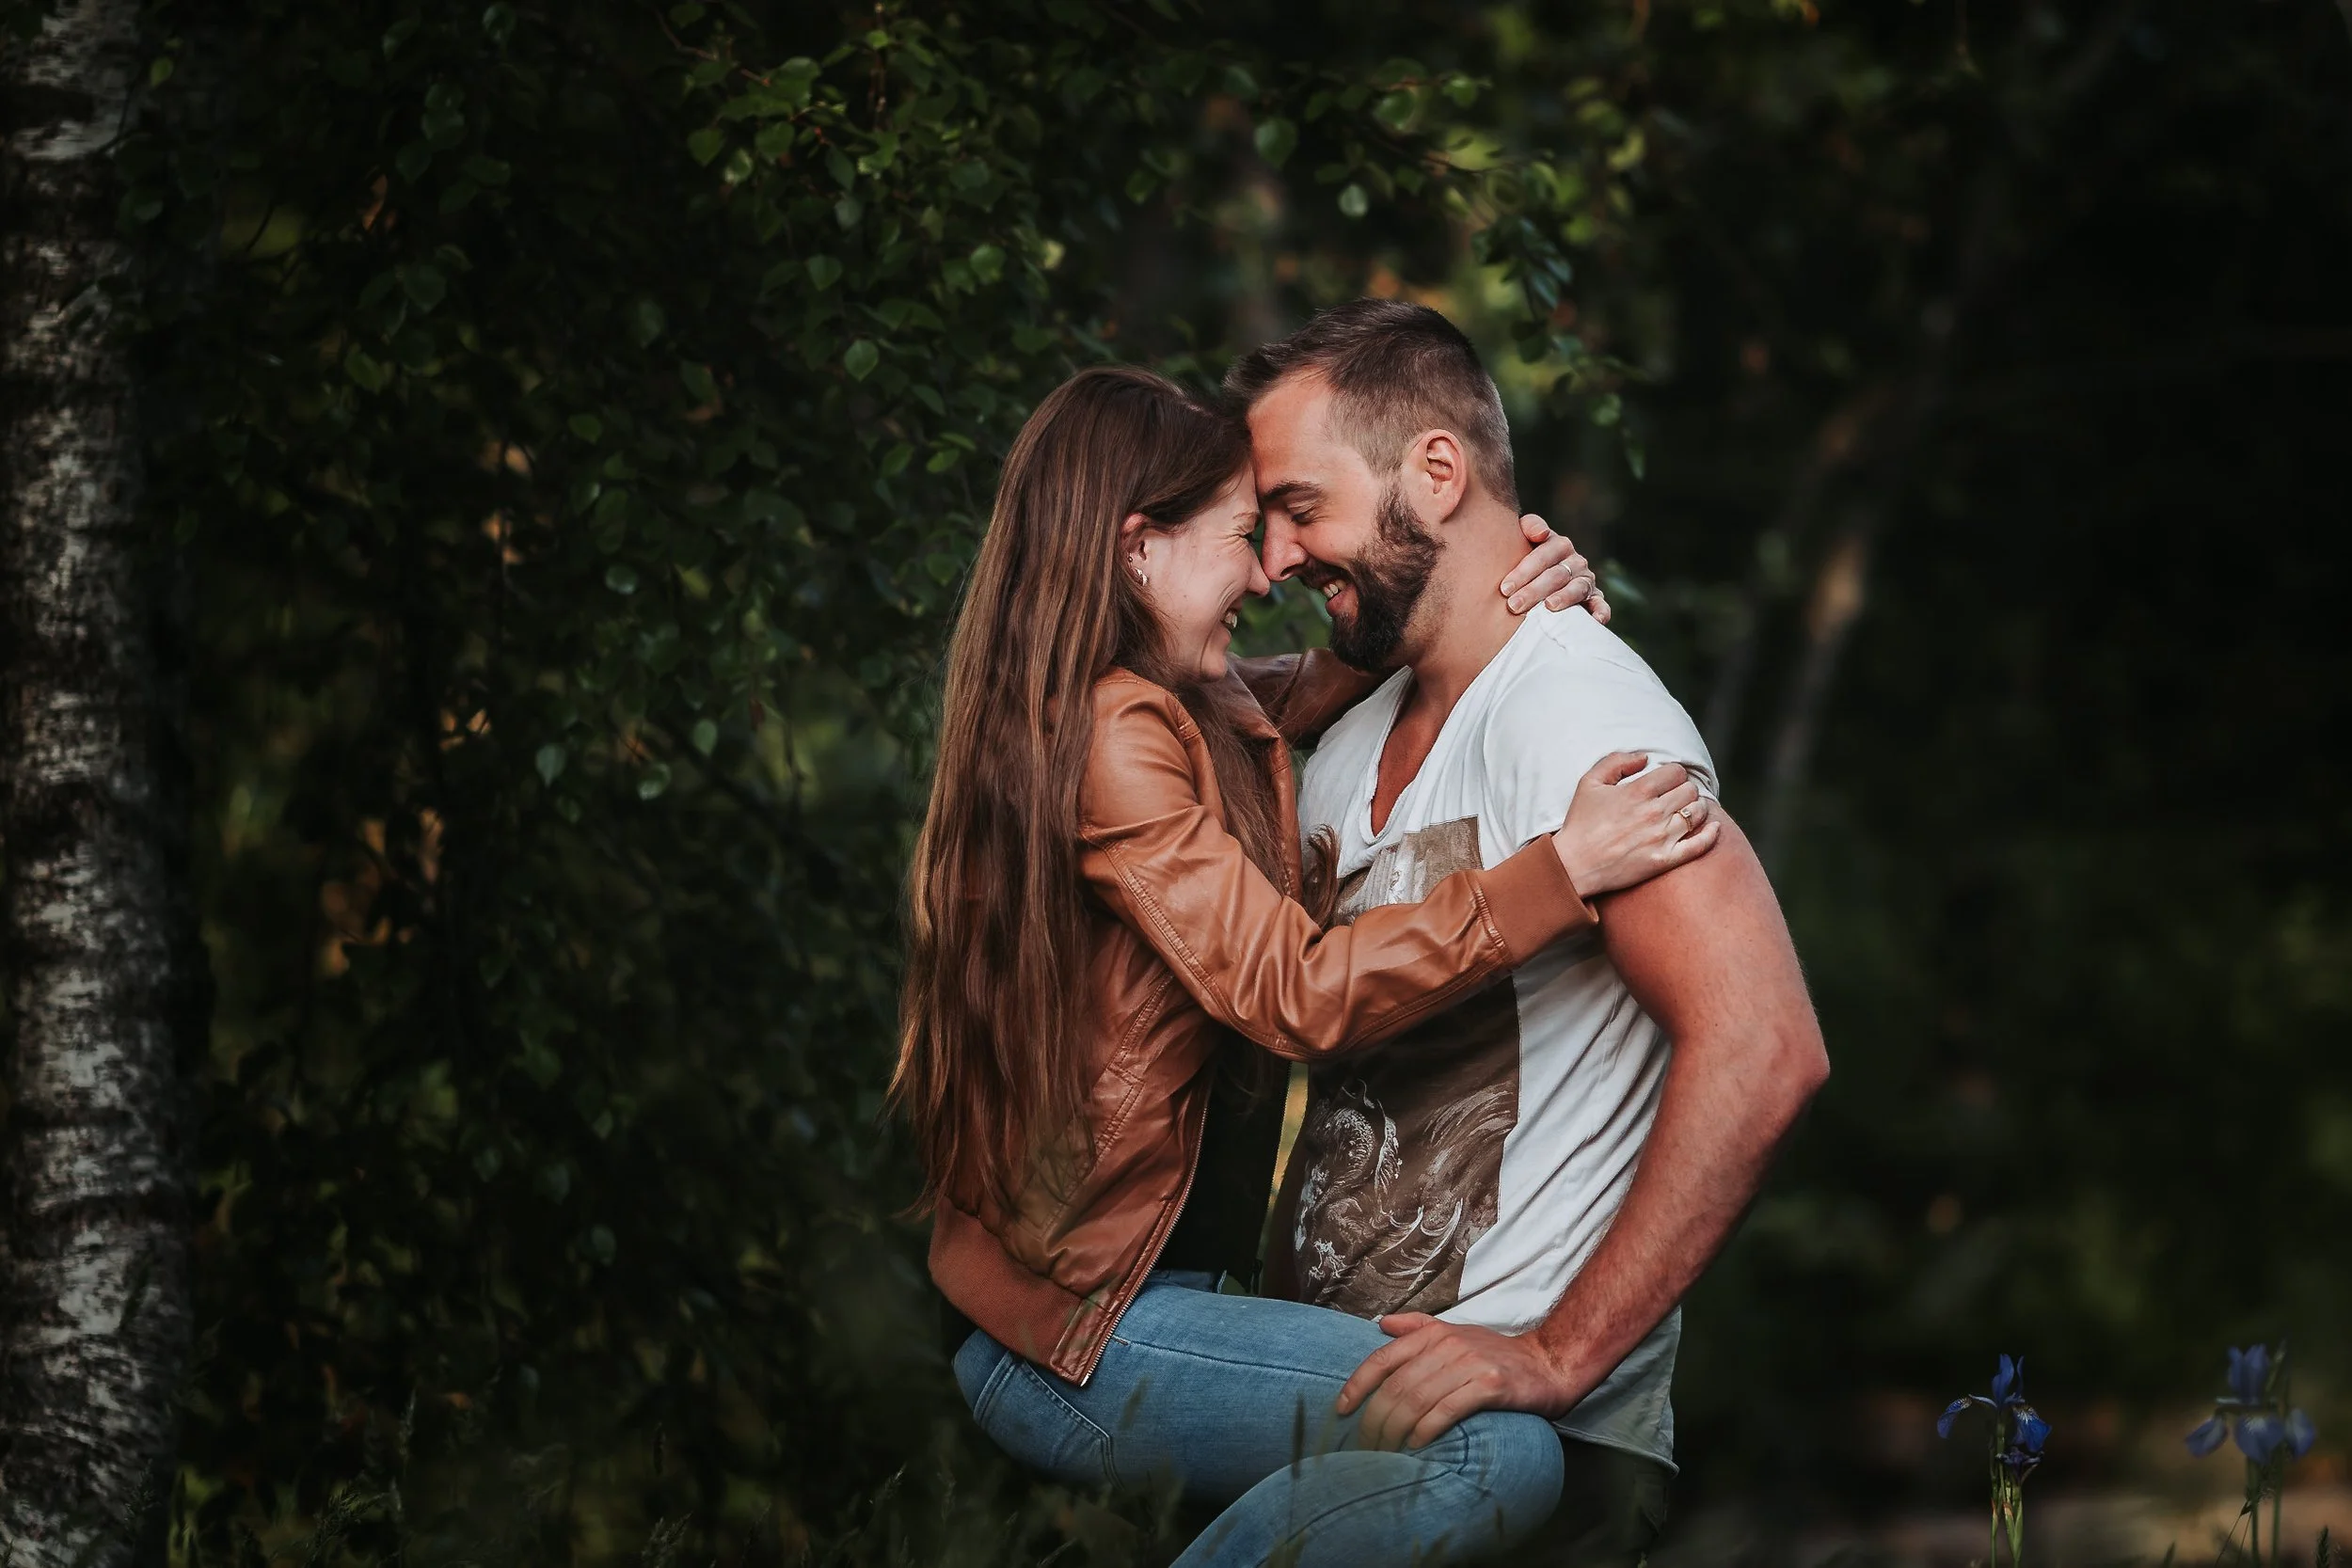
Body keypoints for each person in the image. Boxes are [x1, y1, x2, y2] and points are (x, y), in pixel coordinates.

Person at [893, 364, 1723, 1567]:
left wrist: (1499, 580)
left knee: (1484, 1454)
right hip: (1080, 1333)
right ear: (1138, 548)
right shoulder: (1118, 734)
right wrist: (1562, 867)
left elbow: (1294, 692)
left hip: (1089, 1307)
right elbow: (1294, 991)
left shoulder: (1143, 703)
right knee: (1489, 1451)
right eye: (1242, 534)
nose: (1266, 568)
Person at [1226, 299, 1831, 1565]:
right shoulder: (1348, 725)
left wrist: (1558, 1354)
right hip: (1327, 1410)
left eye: (1299, 504)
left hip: (1517, 1448)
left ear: (1436, 472)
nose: (1274, 556)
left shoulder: (1576, 713)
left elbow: (1767, 1042)